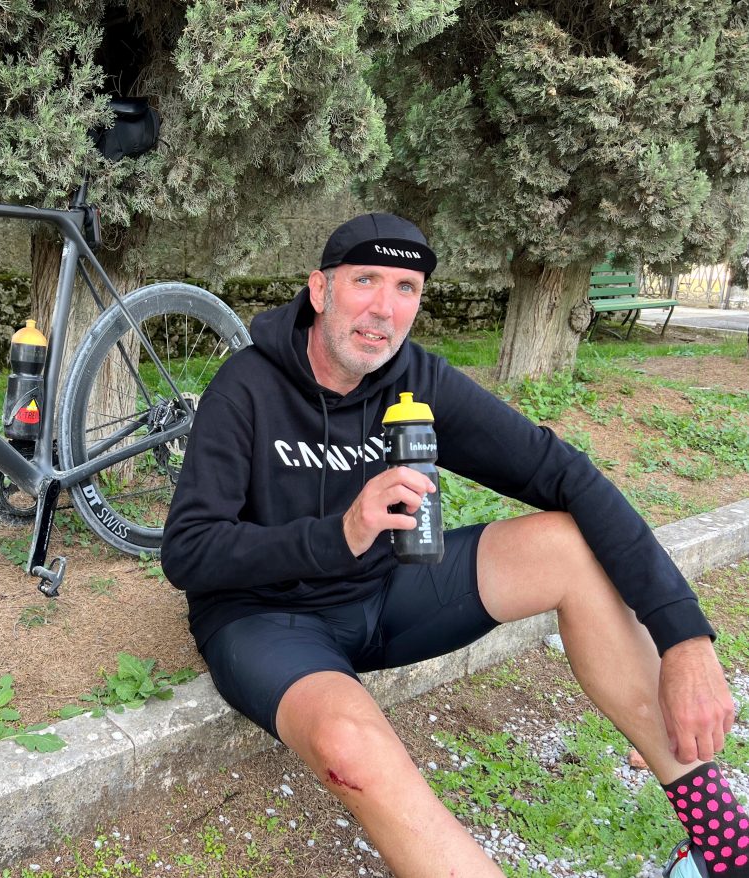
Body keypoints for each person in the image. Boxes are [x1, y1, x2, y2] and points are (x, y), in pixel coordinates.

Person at [160, 213, 741, 878]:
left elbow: (565, 475)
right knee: (350, 745)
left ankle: (724, 844)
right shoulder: (246, 386)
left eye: (406, 288)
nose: (384, 308)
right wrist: (340, 534)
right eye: (366, 280)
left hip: (387, 594)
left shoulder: (416, 379)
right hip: (266, 620)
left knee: (567, 544)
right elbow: (189, 551)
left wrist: (684, 638)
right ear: (320, 290)